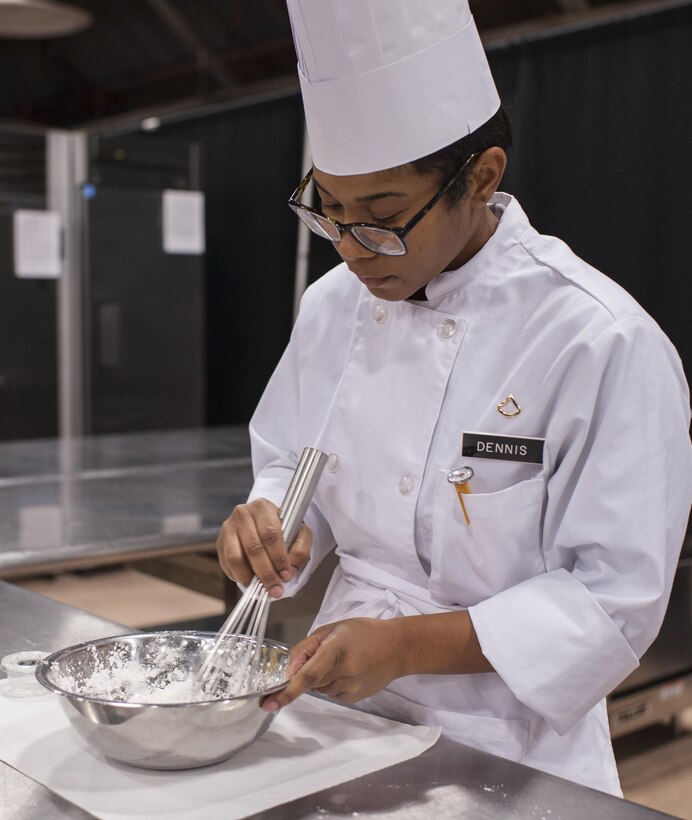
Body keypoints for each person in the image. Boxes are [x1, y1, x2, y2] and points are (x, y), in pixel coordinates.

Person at [216, 0, 692, 796]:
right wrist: (272, 524)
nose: (351, 249)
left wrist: (403, 646)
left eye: (382, 218)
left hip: (511, 744)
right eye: (328, 210)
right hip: (336, 710)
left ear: (483, 176)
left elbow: (614, 601)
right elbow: (292, 462)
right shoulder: (333, 305)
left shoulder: (597, 339)